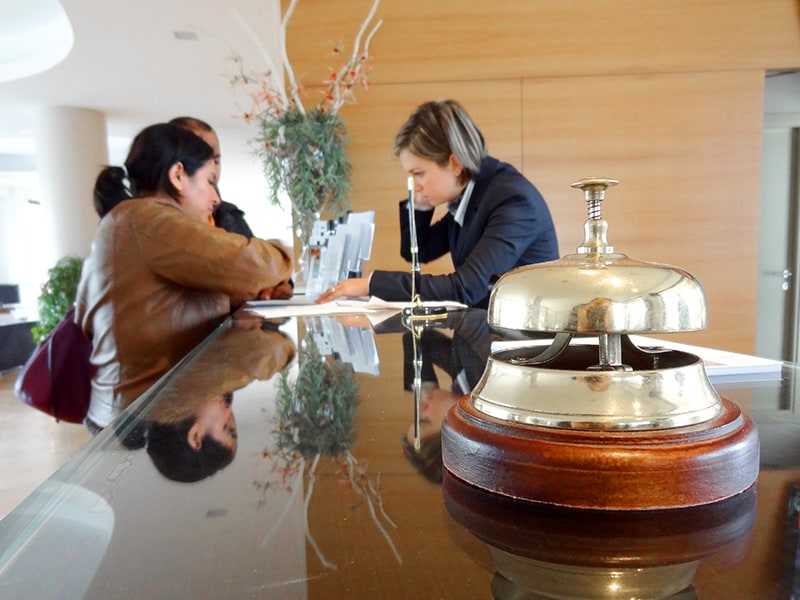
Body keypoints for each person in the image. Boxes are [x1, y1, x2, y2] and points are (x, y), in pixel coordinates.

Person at [76, 122, 294, 434]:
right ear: (178, 175)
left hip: (117, 408)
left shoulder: (120, 221)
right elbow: (253, 264)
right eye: (209, 181)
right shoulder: (153, 220)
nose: (216, 198)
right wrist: (285, 253)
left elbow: (90, 316)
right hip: (144, 411)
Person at [316, 99, 559, 309]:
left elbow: (465, 288)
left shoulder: (511, 201)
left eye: (419, 173)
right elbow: (420, 251)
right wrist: (421, 204)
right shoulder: (472, 194)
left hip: (528, 348)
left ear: (454, 163)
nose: (414, 185)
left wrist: (370, 285)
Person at [116, 318, 296, 482]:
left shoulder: (178, 378)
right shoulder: (206, 388)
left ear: (195, 436)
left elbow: (273, 351)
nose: (229, 411)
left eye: (226, 427)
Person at [168, 116, 255, 238]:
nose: (213, 170)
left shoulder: (230, 216)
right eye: (204, 160)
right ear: (177, 172)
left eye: (216, 160)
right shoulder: (149, 223)